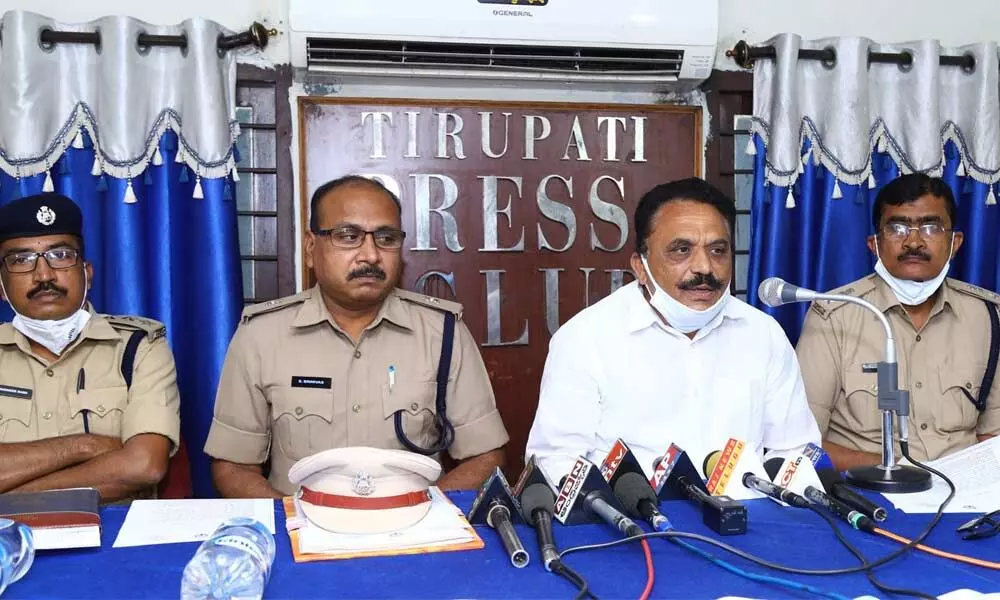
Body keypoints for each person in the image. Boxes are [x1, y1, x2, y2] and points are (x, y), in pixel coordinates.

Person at [205, 175, 509, 498]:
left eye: (386, 238)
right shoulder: (261, 337)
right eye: (348, 236)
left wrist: (424, 510)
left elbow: (486, 456)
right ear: (311, 248)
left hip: (413, 534)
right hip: (304, 536)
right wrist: (295, 524)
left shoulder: (443, 334)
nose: (371, 255)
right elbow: (233, 466)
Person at [525, 178, 820, 482]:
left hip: (747, 519)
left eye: (718, 250)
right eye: (681, 250)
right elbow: (555, 461)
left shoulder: (763, 334)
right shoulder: (585, 339)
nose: (704, 267)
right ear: (640, 266)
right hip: (632, 523)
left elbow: (794, 451)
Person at [797, 174, 1000, 469]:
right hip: (872, 496)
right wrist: (898, 471)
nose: (914, 241)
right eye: (897, 227)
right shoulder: (833, 316)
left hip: (963, 500)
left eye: (931, 227)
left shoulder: (989, 316)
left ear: (955, 242)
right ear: (874, 244)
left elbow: (992, 436)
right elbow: (803, 443)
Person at [0, 193, 180, 502]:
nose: (43, 275)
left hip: (112, 540)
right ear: (1, 287)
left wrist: (12, 496)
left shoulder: (139, 349)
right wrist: (84, 446)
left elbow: (144, 466)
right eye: (21, 260)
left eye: (61, 255)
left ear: (88, 273)